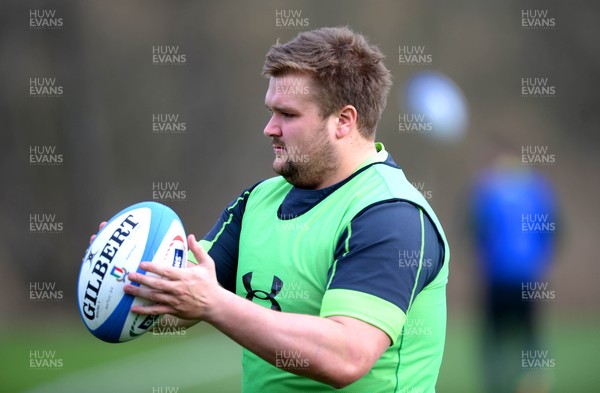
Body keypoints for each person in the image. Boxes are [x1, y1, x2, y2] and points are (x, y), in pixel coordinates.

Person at [96, 27, 450, 392]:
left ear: (344, 121)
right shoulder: (257, 202)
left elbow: (347, 356)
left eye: (288, 115)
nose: (269, 128)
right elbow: (180, 306)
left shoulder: (392, 216)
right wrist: (128, 276)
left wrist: (214, 303)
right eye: (271, 112)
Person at [470, 153, 558, 393]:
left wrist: (482, 260)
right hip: (527, 275)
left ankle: (497, 383)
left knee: (494, 335)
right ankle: (535, 380)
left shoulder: (487, 188)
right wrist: (540, 260)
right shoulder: (537, 188)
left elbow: (476, 228)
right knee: (529, 331)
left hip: (496, 277)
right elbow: (553, 229)